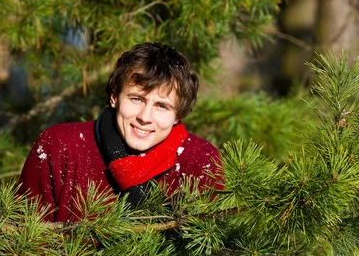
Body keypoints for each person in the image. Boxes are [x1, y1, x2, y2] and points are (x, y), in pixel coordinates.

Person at [18, 41, 223, 223]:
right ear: (115, 96)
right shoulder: (61, 146)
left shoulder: (200, 161)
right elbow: (24, 249)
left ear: (178, 114)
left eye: (162, 106)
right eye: (137, 99)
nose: (145, 116)